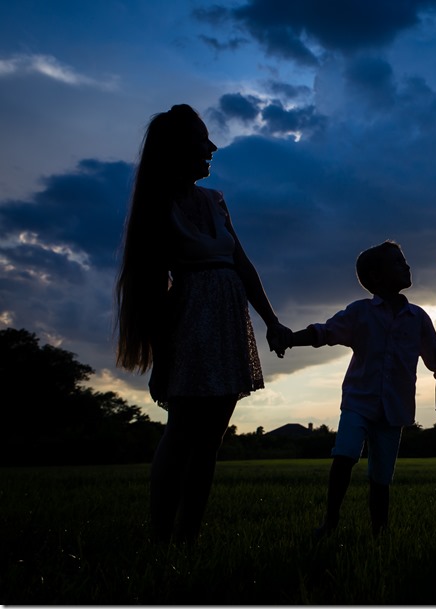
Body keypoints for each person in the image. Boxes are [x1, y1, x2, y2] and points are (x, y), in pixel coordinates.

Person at [114, 104, 293, 544]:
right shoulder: (158, 207)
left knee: (210, 440)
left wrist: (270, 320)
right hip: (191, 324)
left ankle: (187, 537)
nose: (211, 147)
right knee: (182, 433)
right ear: (177, 149)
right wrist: (163, 357)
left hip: (229, 325)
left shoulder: (215, 201)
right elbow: (153, 288)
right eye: (201, 140)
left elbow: (242, 263)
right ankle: (160, 538)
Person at [281, 241, 436, 538]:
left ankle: (379, 532)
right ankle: (330, 522)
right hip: (358, 402)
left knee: (381, 476)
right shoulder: (360, 313)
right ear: (376, 277)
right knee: (345, 455)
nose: (407, 267)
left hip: (394, 409)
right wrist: (289, 339)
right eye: (398, 263)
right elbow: (324, 332)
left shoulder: (418, 318)